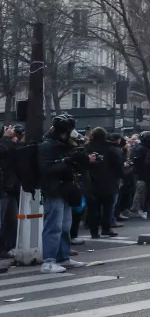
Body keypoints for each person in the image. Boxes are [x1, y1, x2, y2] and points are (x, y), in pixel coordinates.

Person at [38, 114, 86, 273]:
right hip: (53, 189)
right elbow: (46, 169)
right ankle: (49, 261)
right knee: (54, 226)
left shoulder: (63, 145)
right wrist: (67, 161)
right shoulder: (47, 146)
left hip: (65, 189)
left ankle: (63, 257)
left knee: (65, 226)